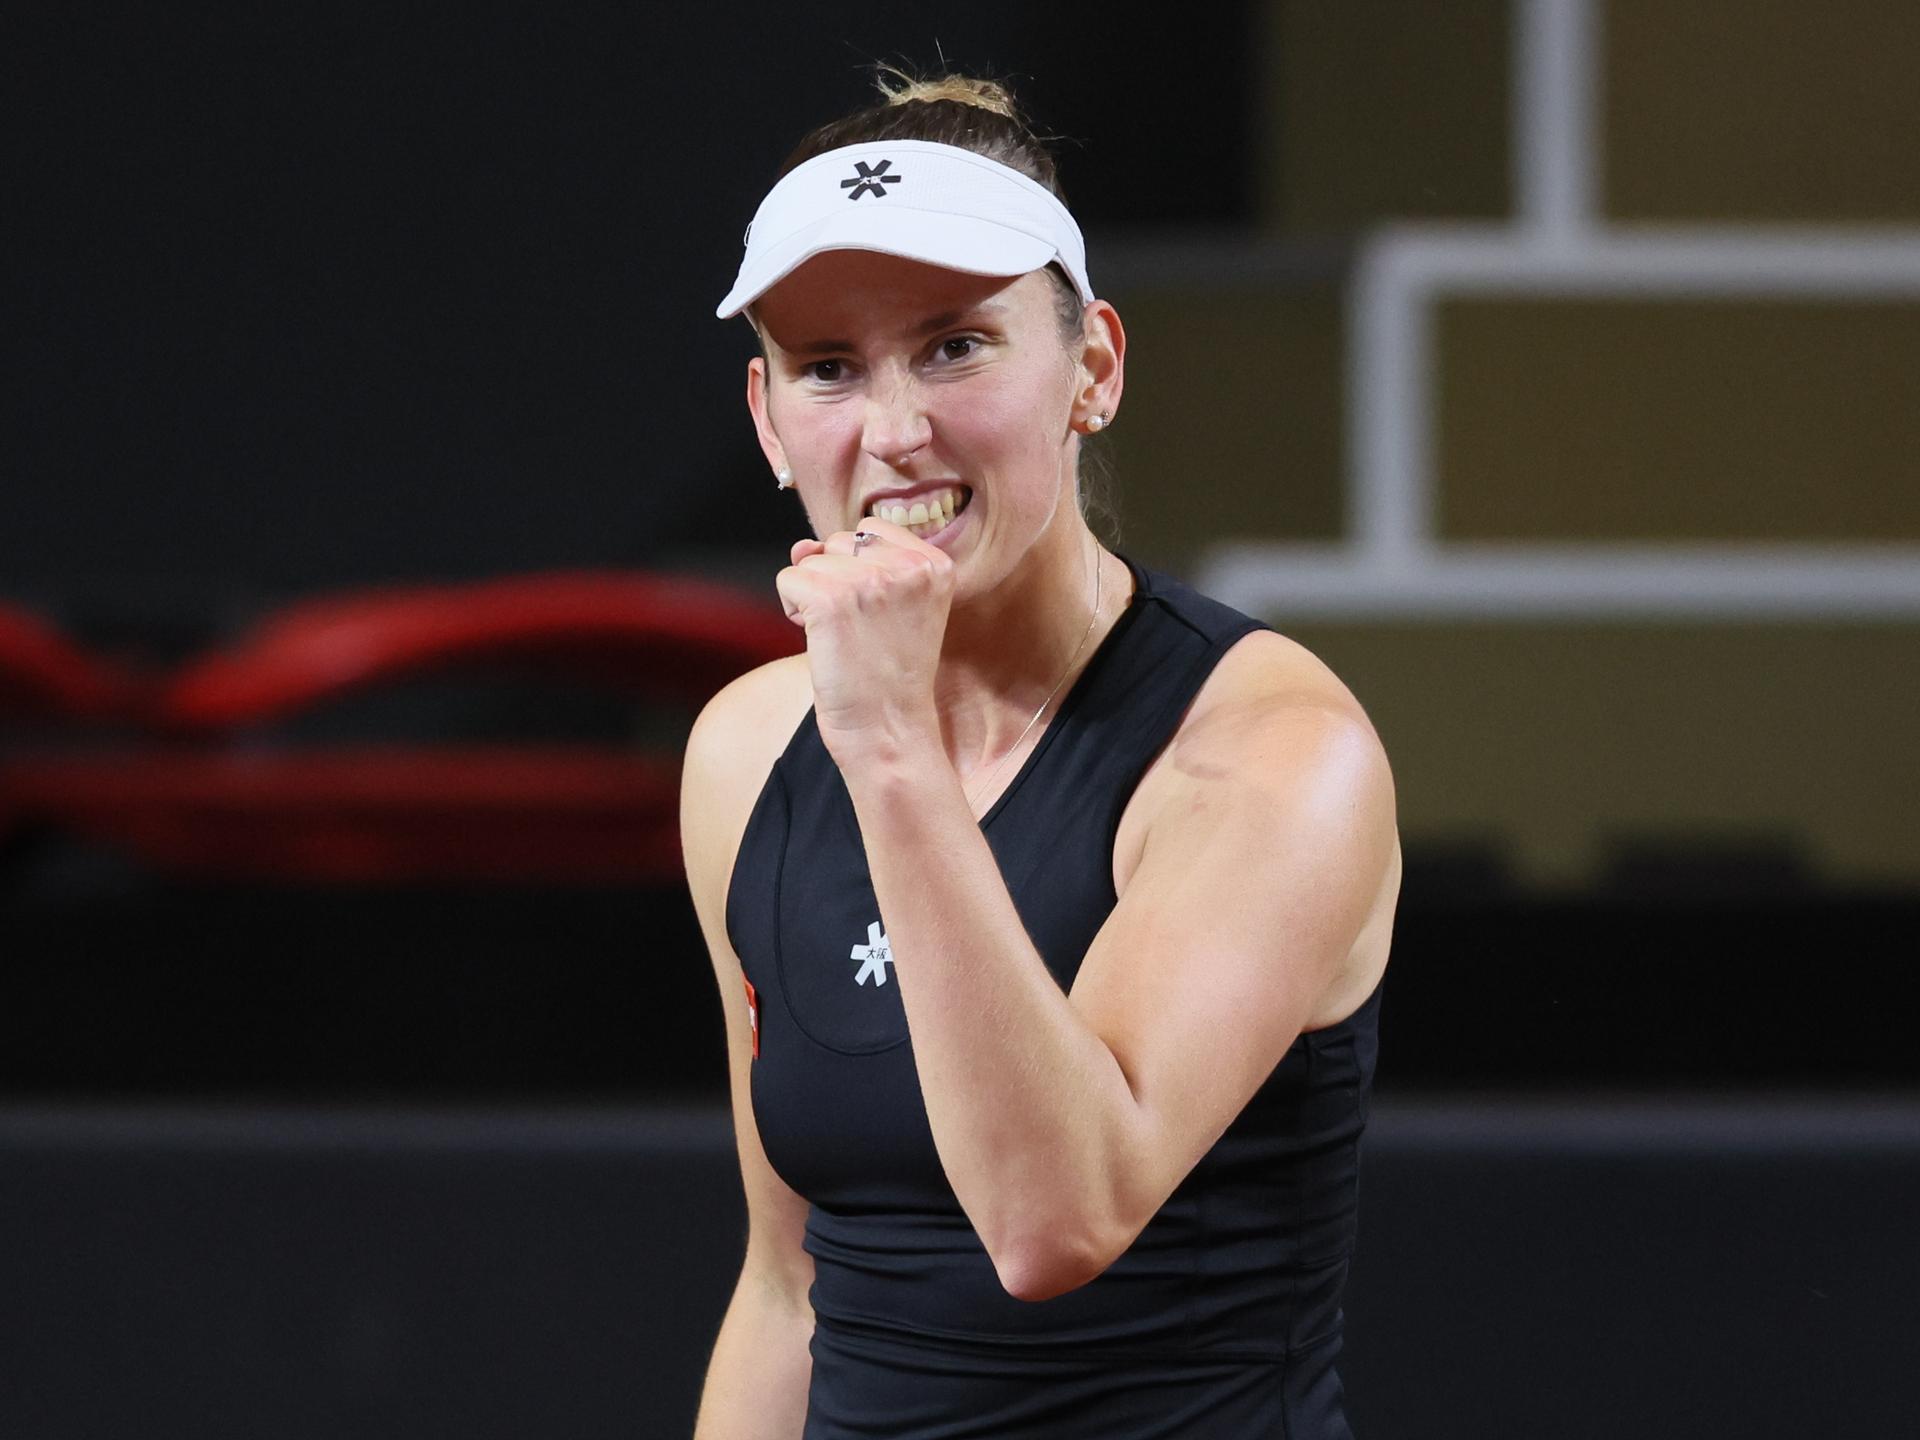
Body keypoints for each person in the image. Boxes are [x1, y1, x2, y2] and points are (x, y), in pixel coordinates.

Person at [681, 70, 1399, 1440]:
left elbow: (1053, 1221)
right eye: (830, 368)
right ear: (770, 422)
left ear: (1093, 370)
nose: (895, 432)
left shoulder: (1273, 755)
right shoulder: (748, 751)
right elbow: (788, 1288)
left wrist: (888, 745)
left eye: (956, 346)